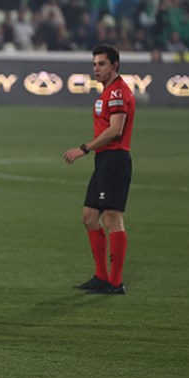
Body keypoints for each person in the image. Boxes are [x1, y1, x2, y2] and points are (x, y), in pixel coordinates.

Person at [62, 43, 135, 295]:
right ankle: (101, 276)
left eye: (102, 64)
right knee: (89, 217)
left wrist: (85, 147)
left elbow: (116, 130)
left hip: (115, 160)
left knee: (113, 218)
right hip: (105, 161)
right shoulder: (107, 92)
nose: (96, 69)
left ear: (114, 65)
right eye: (94, 64)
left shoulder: (117, 93)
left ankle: (115, 283)